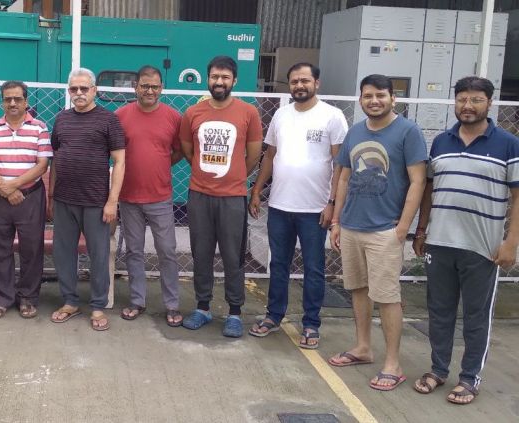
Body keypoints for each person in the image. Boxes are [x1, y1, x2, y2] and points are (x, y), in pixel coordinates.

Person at [412, 76, 519, 404]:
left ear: (490, 103)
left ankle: (470, 378)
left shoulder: (508, 144)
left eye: (475, 100)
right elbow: (429, 190)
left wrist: (511, 243)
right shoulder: (440, 142)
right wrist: (421, 230)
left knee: (476, 315)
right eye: (462, 99)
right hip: (440, 243)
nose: (467, 106)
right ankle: (438, 370)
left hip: (482, 248)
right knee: (439, 312)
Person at [328, 74, 427, 391]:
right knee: (358, 289)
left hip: (386, 230)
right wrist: (337, 221)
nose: (374, 101)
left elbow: (418, 181)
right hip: (352, 226)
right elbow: (344, 178)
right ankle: (363, 348)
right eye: (368, 96)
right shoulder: (355, 132)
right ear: (360, 99)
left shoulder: (408, 132)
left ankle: (393, 364)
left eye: (380, 95)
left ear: (393, 98)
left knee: (386, 296)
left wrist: (403, 228)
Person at [247, 63, 348, 348]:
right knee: (278, 264)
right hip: (279, 206)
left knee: (314, 268)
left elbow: (340, 165)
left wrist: (332, 204)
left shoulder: (333, 116)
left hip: (315, 209)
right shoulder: (281, 114)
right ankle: (273, 316)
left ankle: (311, 324)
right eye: (294, 81)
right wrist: (257, 190)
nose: (299, 85)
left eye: (305, 80)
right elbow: (270, 156)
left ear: (317, 83)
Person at [179, 55, 263, 338]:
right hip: (199, 195)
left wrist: (235, 176)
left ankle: (234, 312)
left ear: (234, 81)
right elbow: (189, 151)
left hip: (233, 198)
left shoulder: (248, 113)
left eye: (225, 77)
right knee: (201, 253)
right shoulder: (193, 113)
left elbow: (253, 155)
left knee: (233, 256)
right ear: (208, 79)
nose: (219, 82)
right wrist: (206, 174)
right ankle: (202, 307)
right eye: (215, 76)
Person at [48, 68, 126, 331]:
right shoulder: (61, 119)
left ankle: (98, 306)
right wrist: (51, 194)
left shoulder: (109, 120)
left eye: (84, 88)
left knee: (99, 255)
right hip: (64, 200)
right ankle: (70, 302)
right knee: (63, 253)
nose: (79, 93)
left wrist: (112, 201)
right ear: (69, 91)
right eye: (74, 89)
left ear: (94, 90)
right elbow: (56, 158)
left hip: (96, 202)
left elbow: (119, 161)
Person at [115, 65, 183, 326]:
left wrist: (161, 165)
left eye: (155, 86)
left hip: (160, 197)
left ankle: (172, 304)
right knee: (134, 251)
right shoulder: (120, 115)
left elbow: (179, 150)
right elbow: (114, 153)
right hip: (128, 197)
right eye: (145, 86)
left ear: (161, 88)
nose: (150, 91)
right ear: (136, 87)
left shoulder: (173, 117)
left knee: (167, 251)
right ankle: (137, 300)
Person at [0, 80, 52, 319]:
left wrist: (13, 185)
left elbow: (42, 165)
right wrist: (6, 188)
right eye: (8, 99)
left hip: (30, 197)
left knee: (32, 249)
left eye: (17, 99)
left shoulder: (40, 128)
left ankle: (28, 298)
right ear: (2, 102)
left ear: (26, 101)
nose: (12, 103)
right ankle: (2, 298)